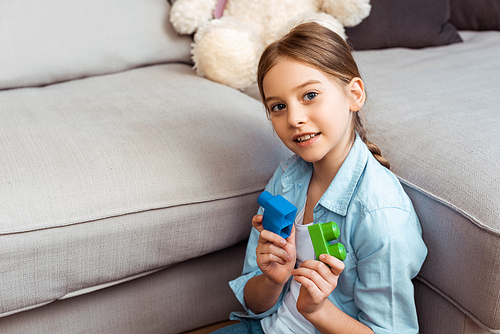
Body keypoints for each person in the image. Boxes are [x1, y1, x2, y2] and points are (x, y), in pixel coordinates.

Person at [212, 22, 427, 334]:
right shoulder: (287, 177)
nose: (295, 118)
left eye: (310, 95)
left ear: (354, 95)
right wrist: (274, 278)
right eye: (278, 106)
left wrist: (318, 311)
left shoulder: (381, 216)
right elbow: (254, 302)